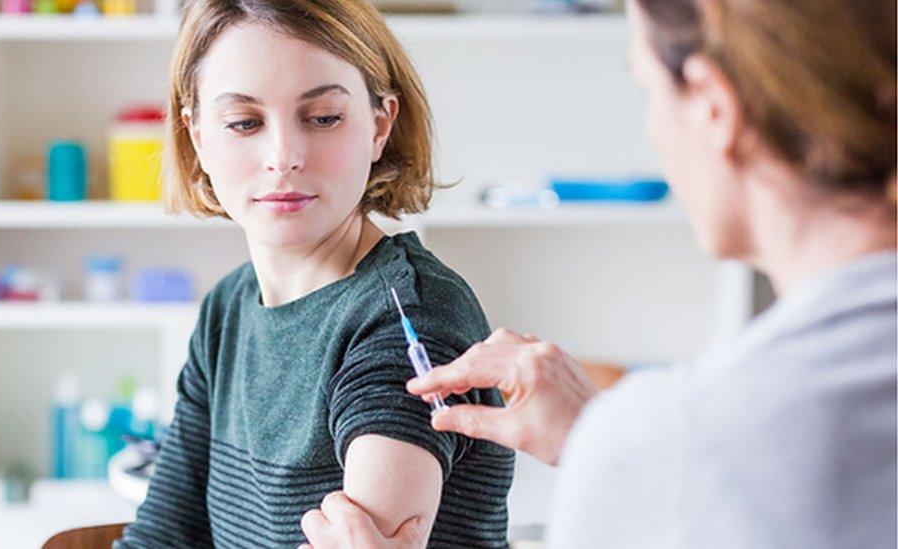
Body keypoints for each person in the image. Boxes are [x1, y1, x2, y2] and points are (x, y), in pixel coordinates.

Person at [300, 0, 897, 547]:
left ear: (714, 108)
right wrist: (606, 434)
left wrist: (628, 451)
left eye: (647, 93)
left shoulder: (699, 439)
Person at [114, 1, 514, 547]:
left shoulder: (408, 319)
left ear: (380, 125)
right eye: (244, 123)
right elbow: (163, 534)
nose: (283, 156)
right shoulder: (229, 307)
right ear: (198, 136)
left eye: (323, 117)